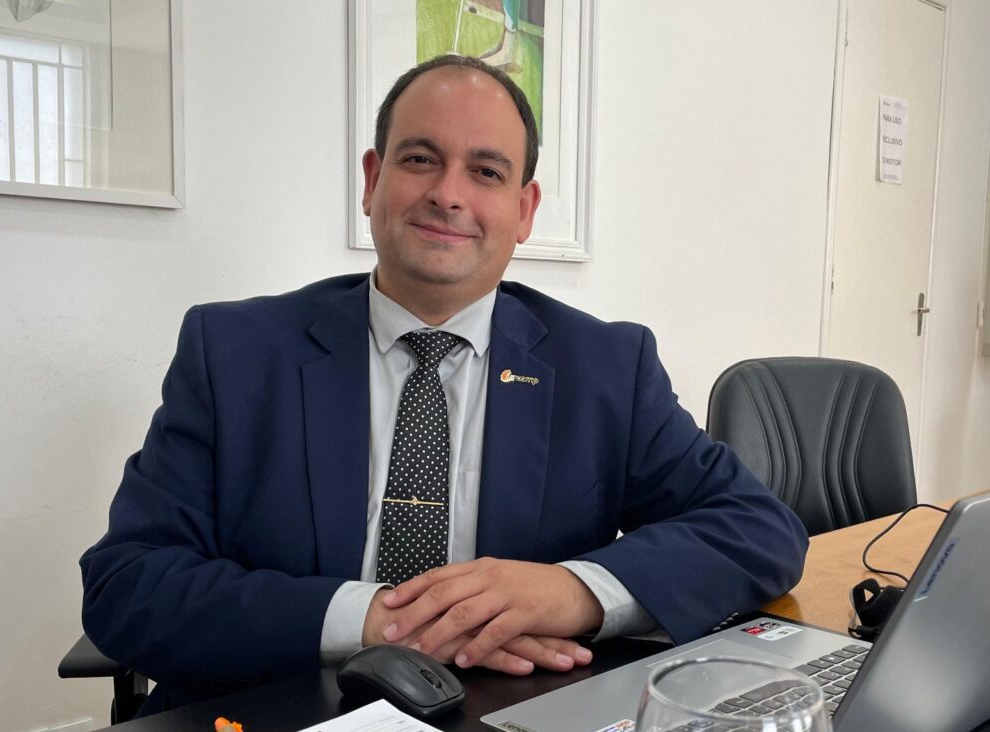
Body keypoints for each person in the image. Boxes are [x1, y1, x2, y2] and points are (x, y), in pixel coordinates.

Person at [80, 54, 808, 715]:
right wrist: (380, 620)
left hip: (504, 711)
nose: (448, 194)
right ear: (372, 181)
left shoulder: (607, 366)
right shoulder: (234, 352)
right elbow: (128, 585)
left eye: (486, 172)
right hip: (275, 708)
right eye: (421, 159)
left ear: (524, 210)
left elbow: (757, 528)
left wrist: (573, 590)